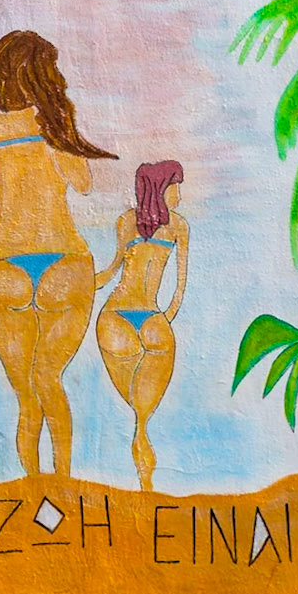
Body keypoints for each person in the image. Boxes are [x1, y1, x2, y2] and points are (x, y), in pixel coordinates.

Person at [0, 29, 117, 478]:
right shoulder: (53, 127)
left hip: (3, 265)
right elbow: (82, 183)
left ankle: (33, 483)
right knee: (49, 379)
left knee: (25, 395)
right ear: (44, 75)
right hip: (64, 261)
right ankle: (61, 480)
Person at [95, 161, 188, 492]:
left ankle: (144, 478)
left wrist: (88, 285)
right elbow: (177, 289)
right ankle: (145, 481)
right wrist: (166, 319)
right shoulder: (178, 227)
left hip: (117, 313)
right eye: (176, 185)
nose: (179, 193)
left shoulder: (129, 222)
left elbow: (112, 272)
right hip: (152, 316)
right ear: (161, 187)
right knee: (142, 414)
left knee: (139, 408)